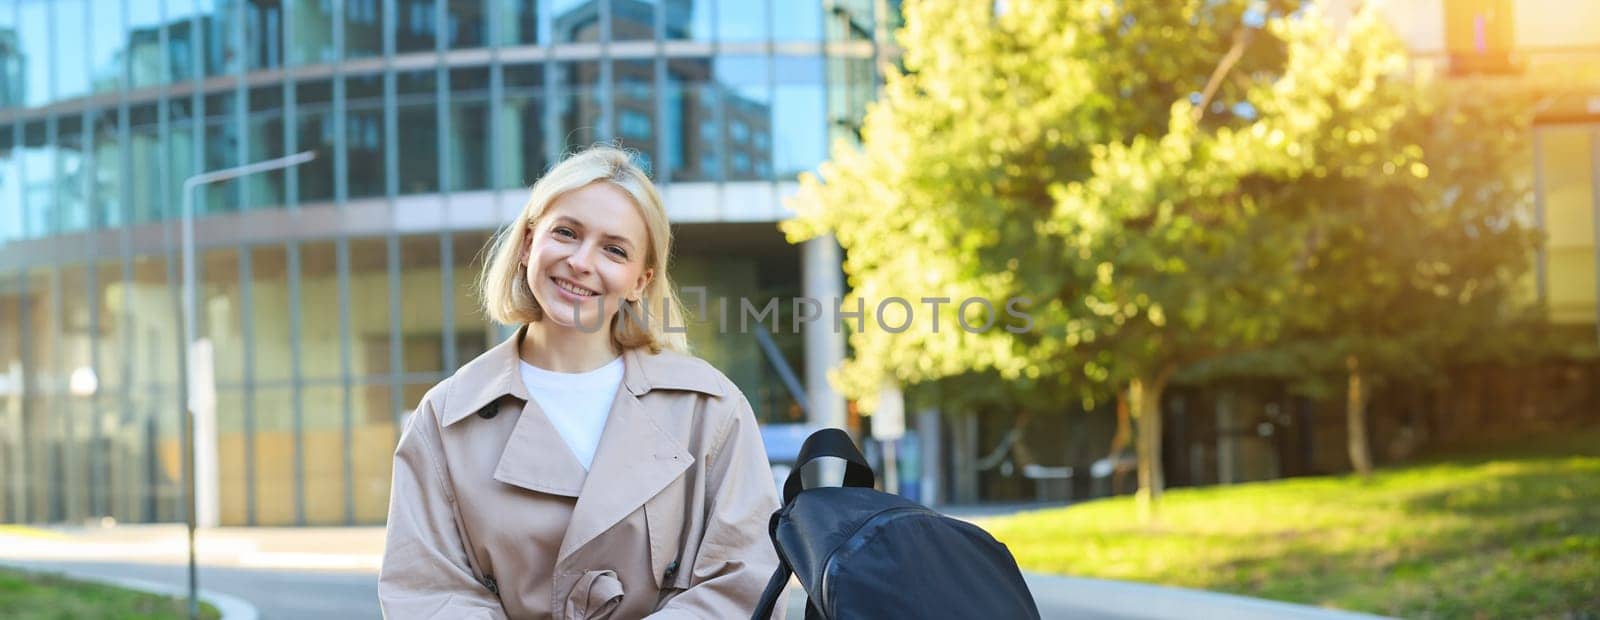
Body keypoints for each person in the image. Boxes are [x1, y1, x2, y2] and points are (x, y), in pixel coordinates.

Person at [379, 146, 784, 619]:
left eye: (614, 249)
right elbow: (426, 593)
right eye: (566, 233)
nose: (581, 262)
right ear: (529, 243)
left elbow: (743, 582)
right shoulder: (446, 418)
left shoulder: (709, 408)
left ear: (640, 279)